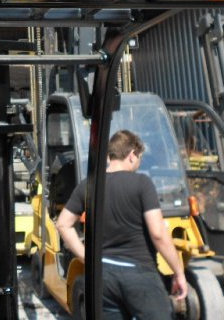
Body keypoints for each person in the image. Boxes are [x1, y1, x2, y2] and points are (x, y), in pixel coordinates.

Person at [56, 129, 187, 319]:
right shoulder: (142, 183)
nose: (139, 163)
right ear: (132, 155)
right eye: (139, 158)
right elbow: (158, 234)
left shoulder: (88, 185)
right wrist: (179, 272)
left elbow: (62, 224)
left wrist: (87, 258)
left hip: (102, 277)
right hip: (139, 276)